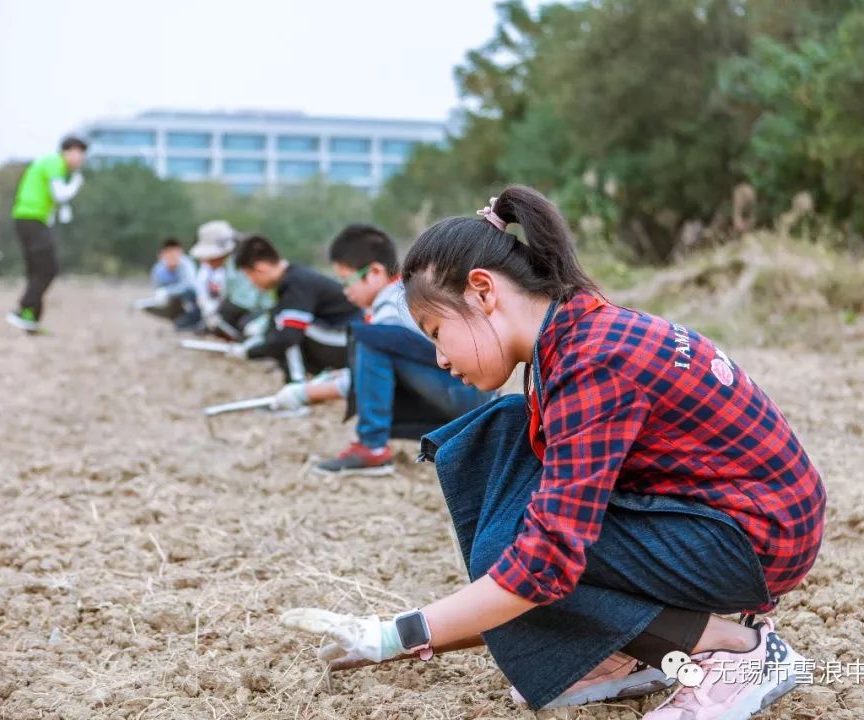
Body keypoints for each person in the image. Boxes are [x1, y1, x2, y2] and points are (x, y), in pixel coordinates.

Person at [281, 187, 826, 719]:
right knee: (497, 438)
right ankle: (621, 650)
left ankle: (735, 649)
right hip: (721, 518)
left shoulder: (593, 361)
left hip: (756, 540)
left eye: (437, 332)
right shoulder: (573, 334)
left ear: (482, 290)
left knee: (516, 543)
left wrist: (396, 635)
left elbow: (544, 564)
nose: (441, 359)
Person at [261, 224, 495, 475]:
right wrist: (337, 377)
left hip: (468, 395)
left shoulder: (396, 306)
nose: (345, 291)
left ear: (374, 272)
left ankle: (372, 447)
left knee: (368, 339)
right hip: (464, 393)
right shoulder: (398, 298)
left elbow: (365, 377)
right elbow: (373, 376)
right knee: (371, 344)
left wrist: (305, 393)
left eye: (346, 281)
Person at [233, 234, 361, 381]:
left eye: (249, 275)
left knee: (289, 330)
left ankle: (296, 385)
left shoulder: (296, 282)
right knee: (282, 324)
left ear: (260, 268)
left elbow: (288, 336)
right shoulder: (293, 278)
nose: (252, 282)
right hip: (339, 337)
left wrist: (251, 352)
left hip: (350, 341)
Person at [5, 135, 88, 333]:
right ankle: (23, 309)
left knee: (36, 271)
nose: (81, 159)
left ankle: (31, 320)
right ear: (68, 151)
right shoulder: (55, 163)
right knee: (48, 270)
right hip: (33, 219)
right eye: (79, 153)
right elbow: (60, 194)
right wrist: (77, 183)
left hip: (26, 219)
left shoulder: (50, 164)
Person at [188, 220, 275, 339]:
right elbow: (228, 292)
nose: (207, 261)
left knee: (243, 327)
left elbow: (251, 301)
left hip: (260, 310)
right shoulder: (228, 265)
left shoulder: (246, 262)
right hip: (240, 305)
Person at [139, 237, 199, 329]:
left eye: (175, 253)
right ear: (162, 254)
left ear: (180, 253)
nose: (172, 256)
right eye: (169, 253)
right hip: (170, 303)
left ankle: (191, 319)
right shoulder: (158, 269)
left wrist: (168, 291)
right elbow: (157, 289)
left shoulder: (186, 264)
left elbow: (190, 285)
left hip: (189, 300)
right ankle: (177, 319)